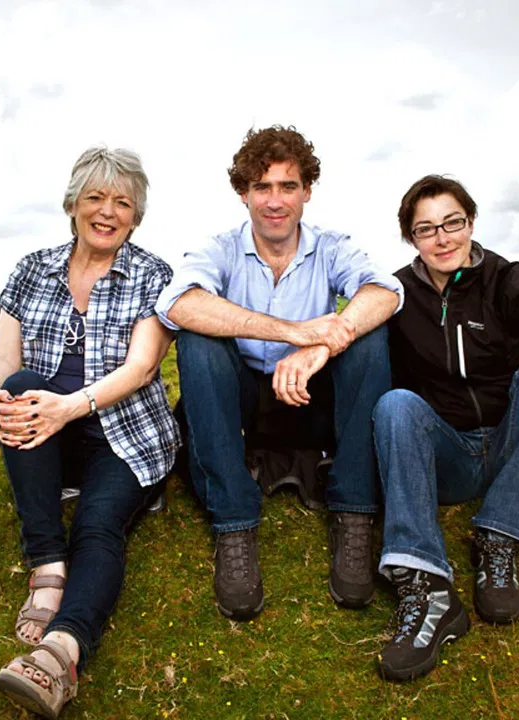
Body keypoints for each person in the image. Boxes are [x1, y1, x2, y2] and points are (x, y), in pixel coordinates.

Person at [155, 125, 403, 621]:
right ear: (243, 193)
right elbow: (178, 303)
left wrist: (320, 346)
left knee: (369, 336)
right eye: (261, 186)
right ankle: (234, 522)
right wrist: (292, 332)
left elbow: (385, 290)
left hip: (311, 399)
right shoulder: (221, 248)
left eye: (288, 186)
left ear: (307, 191)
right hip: (245, 404)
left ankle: (353, 512)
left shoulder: (330, 246)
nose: (274, 201)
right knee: (199, 340)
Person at [0, 146, 179, 717]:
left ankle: (61, 652)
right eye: (95, 197)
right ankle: (47, 563)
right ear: (72, 205)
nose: (108, 211)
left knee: (98, 523)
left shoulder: (152, 274)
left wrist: (69, 407)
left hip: (125, 433)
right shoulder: (32, 268)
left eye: (123, 203)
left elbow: (142, 368)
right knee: (18, 385)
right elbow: (2, 355)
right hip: (50, 429)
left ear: (136, 216)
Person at [373, 174, 519, 682]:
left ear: (471, 223)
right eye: (426, 229)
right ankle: (426, 585)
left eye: (452, 223)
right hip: (448, 455)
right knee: (395, 405)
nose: (442, 238)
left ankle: (498, 537)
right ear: (411, 238)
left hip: (514, 448)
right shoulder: (398, 292)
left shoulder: (503, 277)